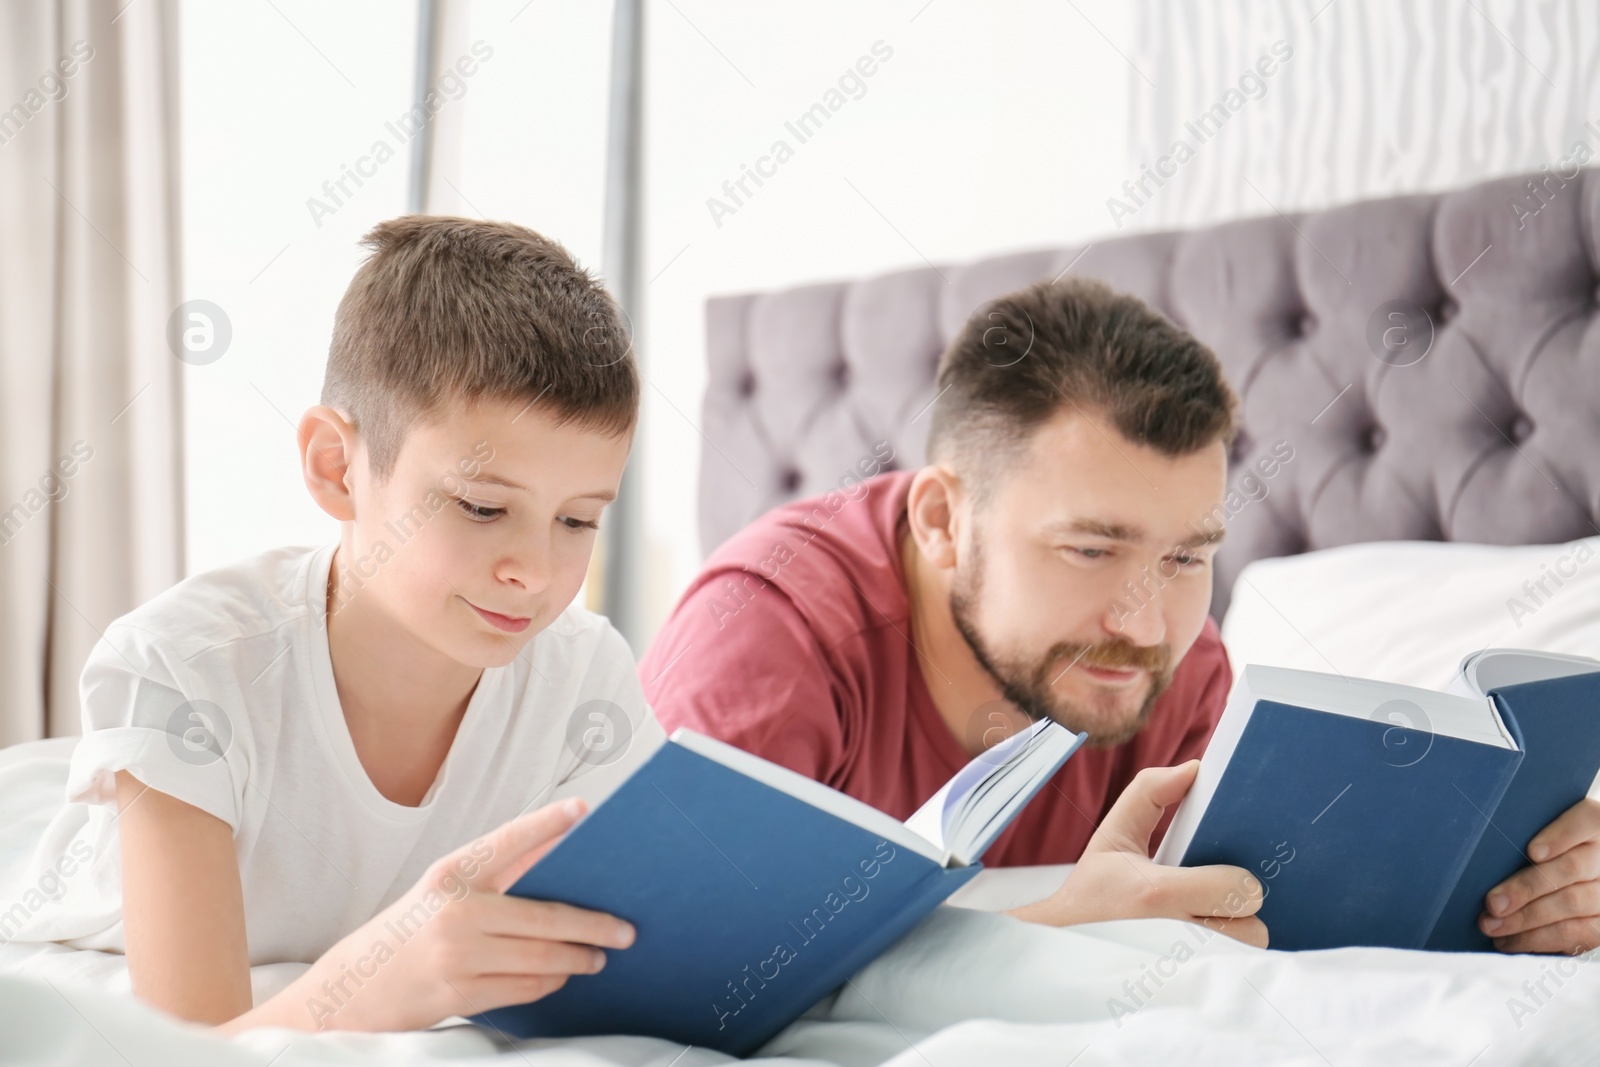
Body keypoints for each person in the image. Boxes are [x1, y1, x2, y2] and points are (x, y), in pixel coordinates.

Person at [643, 275, 1600, 954]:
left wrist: (1523, 892)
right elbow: (676, 965)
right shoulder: (764, 639)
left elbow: (1286, 924)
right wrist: (1050, 936)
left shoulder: (1179, 667)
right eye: (1092, 548)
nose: (1146, 626)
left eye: (1186, 556)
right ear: (942, 518)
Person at [8, 218, 655, 1032]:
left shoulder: (585, 676)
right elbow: (183, 1049)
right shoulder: (185, 669)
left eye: (578, 521)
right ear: (336, 467)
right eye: (483, 507)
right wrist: (380, 978)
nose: (535, 570)